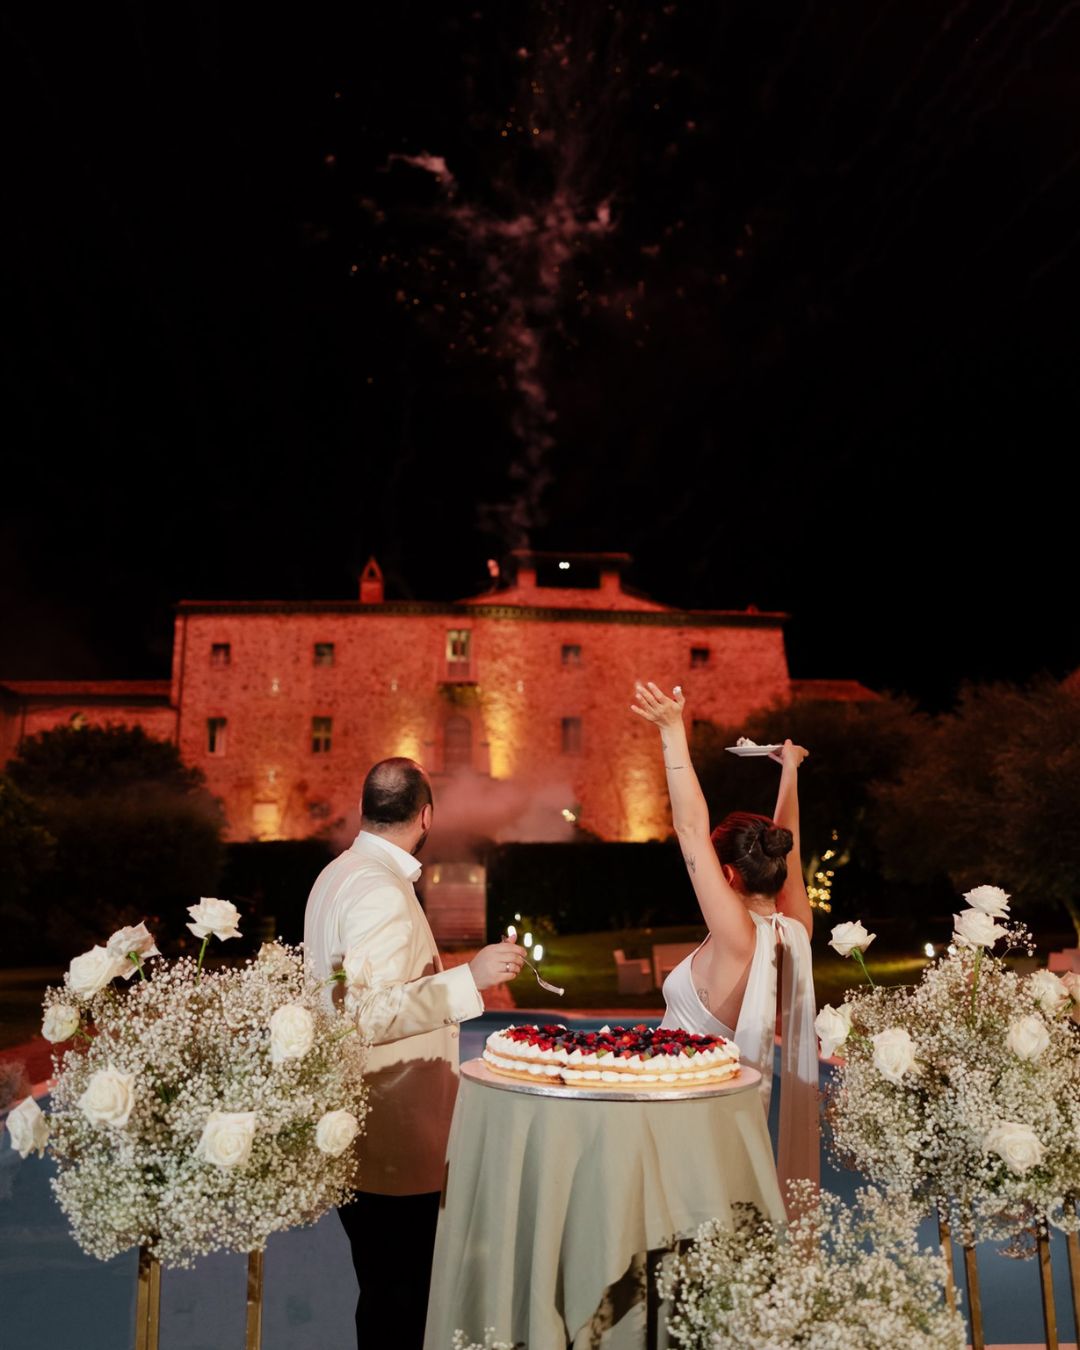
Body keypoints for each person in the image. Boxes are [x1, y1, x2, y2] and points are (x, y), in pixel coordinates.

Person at [304, 757, 527, 1350]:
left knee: (383, 1298)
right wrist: (469, 978)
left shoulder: (337, 874)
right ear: (426, 815)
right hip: (393, 1141)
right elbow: (368, 1012)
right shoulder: (379, 890)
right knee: (402, 1307)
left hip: (355, 1128)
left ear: (364, 809)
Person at [630, 682, 819, 1194]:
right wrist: (790, 770)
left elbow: (691, 828)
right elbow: (791, 845)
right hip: (714, 1107)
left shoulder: (738, 937)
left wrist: (673, 731)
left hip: (676, 1108)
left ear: (729, 877)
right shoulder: (794, 931)